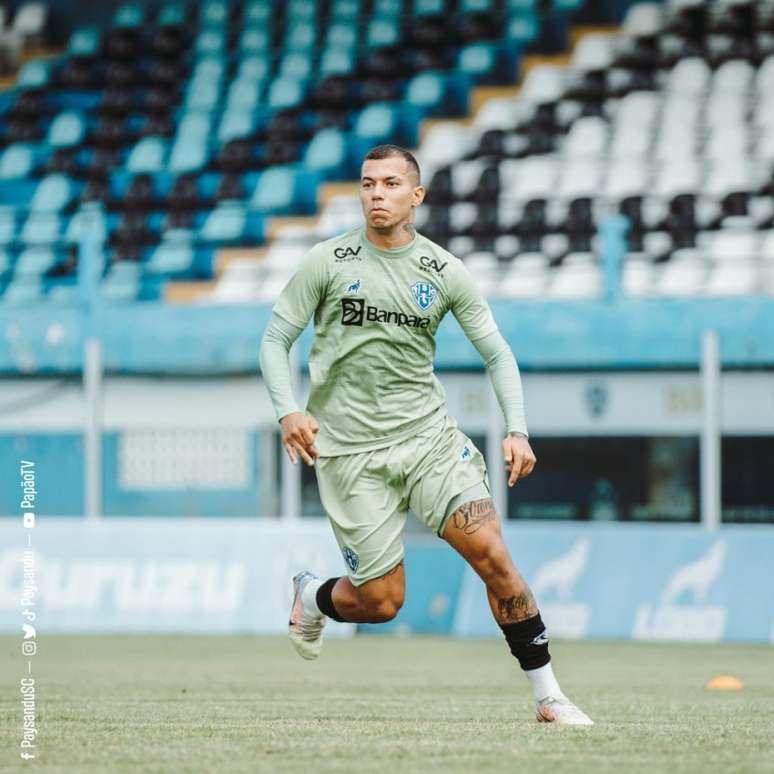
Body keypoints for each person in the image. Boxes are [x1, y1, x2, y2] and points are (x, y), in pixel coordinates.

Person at [259, 144, 592, 725]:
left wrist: (517, 429)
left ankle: (549, 697)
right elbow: (273, 341)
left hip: (429, 442)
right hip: (351, 453)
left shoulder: (443, 271)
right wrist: (289, 410)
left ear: (416, 195)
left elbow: (497, 352)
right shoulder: (327, 261)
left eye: (390, 184)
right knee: (382, 603)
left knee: (493, 556)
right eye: (367, 185)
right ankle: (313, 594)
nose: (376, 195)